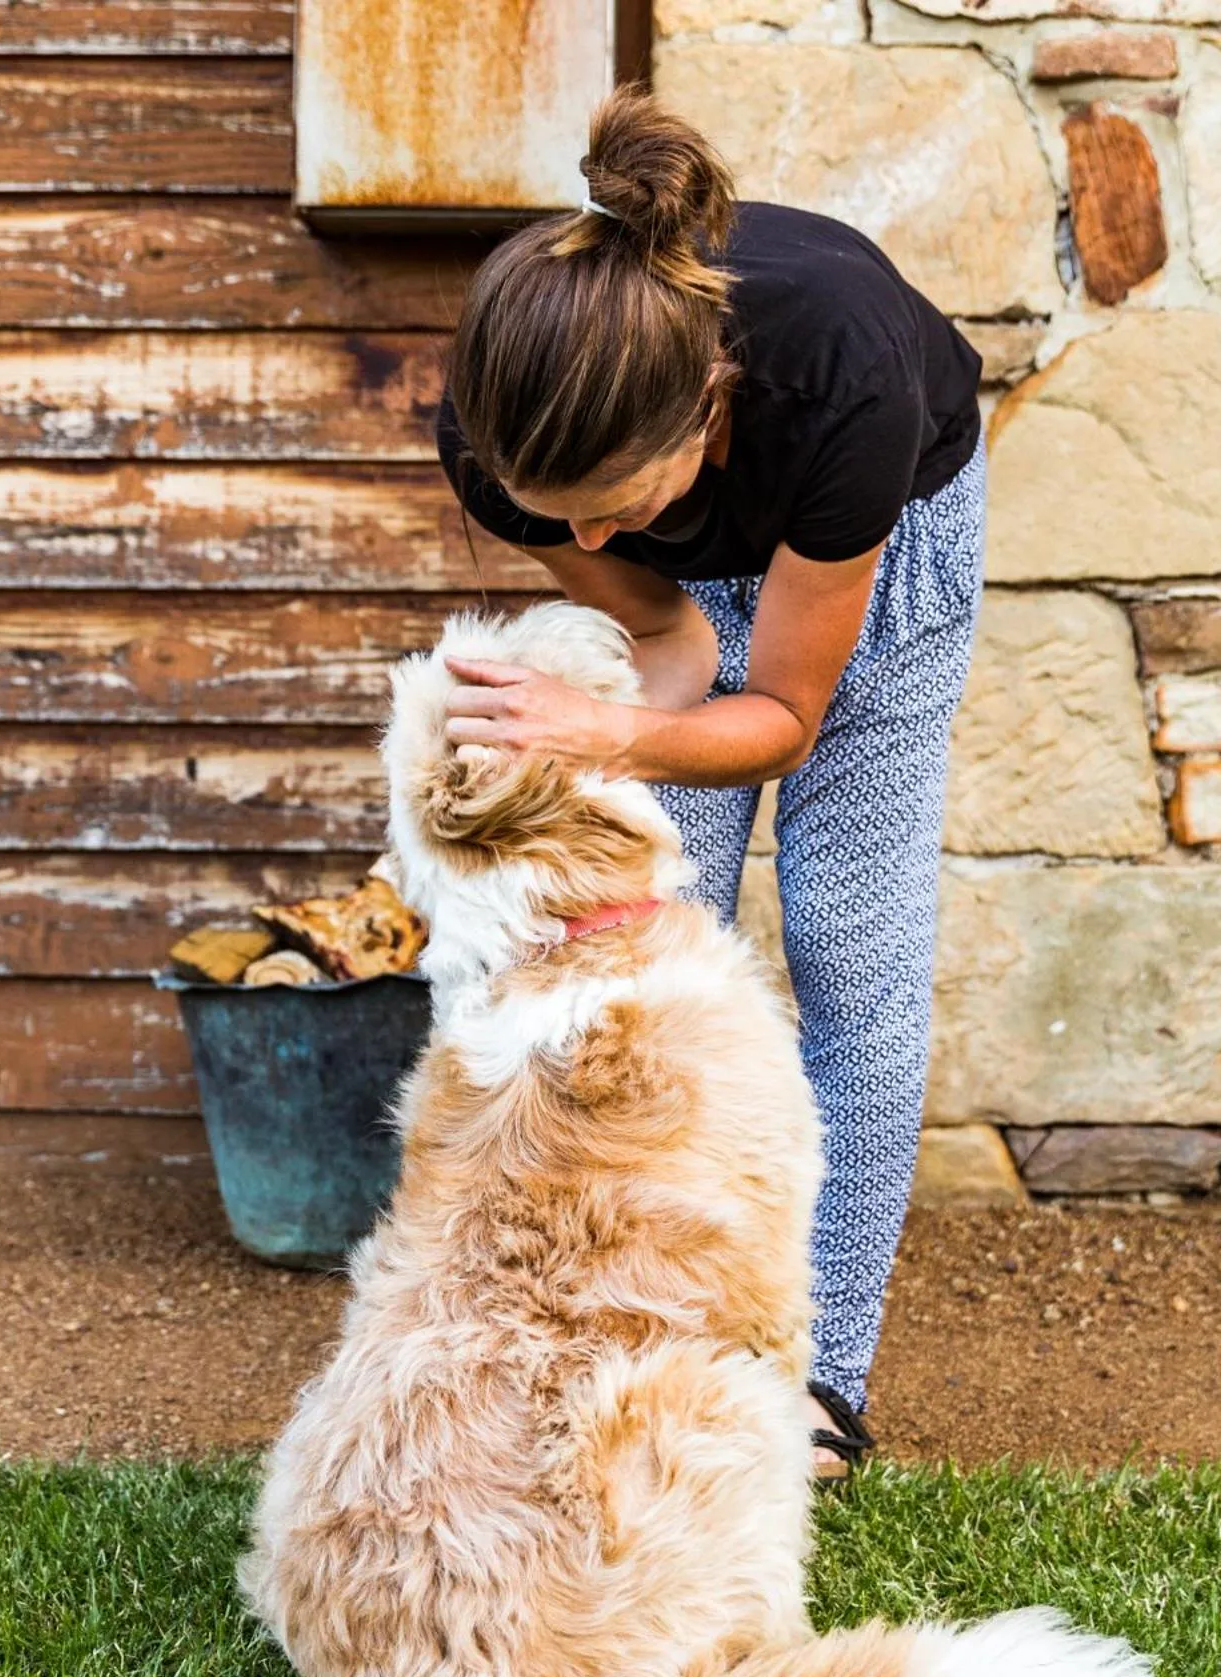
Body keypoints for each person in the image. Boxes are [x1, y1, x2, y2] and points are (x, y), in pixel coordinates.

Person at [435, 86, 985, 1477]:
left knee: (848, 958)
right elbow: (674, 628)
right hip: (704, 600)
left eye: (616, 500)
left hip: (873, 547)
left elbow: (785, 711)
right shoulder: (516, 448)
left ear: (709, 402)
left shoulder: (842, 378)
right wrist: (611, 719)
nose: (594, 533)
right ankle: (623, 1333)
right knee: (630, 963)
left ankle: (819, 1384)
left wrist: (598, 736)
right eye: (567, 519)